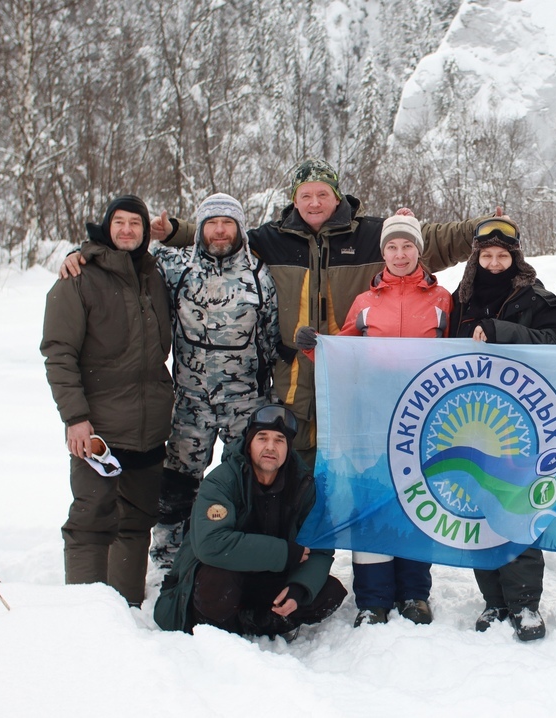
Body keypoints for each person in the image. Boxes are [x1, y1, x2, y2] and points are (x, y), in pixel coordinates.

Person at [153, 159, 484, 466]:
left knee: (347, 446)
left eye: (323, 194)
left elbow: (437, 240)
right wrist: (175, 231)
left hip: (350, 367)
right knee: (291, 446)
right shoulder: (272, 239)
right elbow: (223, 238)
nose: (314, 203)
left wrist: (485, 228)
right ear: (294, 200)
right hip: (292, 369)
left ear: (337, 197)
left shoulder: (372, 235)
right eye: (306, 195)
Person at [61, 194, 282, 570]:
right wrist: (80, 254)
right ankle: (168, 563)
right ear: (201, 229)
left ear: (239, 229)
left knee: (248, 482)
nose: (219, 231)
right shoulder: (174, 266)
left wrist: (270, 399)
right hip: (190, 403)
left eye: (227, 223)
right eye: (211, 223)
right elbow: (122, 257)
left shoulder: (260, 275)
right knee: (176, 487)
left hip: (245, 405)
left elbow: (271, 337)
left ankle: (244, 557)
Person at [298, 214, 453, 627]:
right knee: (372, 499)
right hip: (373, 418)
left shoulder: (442, 300)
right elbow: (344, 349)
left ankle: (415, 595)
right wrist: (316, 348)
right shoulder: (366, 303)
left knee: (417, 502)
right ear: (382, 252)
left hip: (424, 420)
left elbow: (460, 359)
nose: (400, 254)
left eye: (407, 247)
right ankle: (373, 598)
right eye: (392, 247)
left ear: (419, 250)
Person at [40, 195, 173, 606]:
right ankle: (86, 619)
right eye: (120, 222)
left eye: (136, 223)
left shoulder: (153, 273)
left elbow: (216, 240)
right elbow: (58, 353)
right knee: (91, 520)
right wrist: (76, 419)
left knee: (136, 521)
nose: (128, 230)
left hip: (150, 425)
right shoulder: (78, 277)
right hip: (99, 428)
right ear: (106, 226)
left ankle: (126, 611)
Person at [448, 217, 556, 641]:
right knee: (478, 509)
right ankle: (493, 600)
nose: (495, 263)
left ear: (515, 258)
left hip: (521, 423)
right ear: (476, 258)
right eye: (487, 256)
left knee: (516, 506)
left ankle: (524, 604)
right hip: (471, 421)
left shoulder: (537, 297)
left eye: (503, 256)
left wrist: (503, 333)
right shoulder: (458, 300)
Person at [154, 404, 347, 638]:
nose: (270, 447)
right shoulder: (222, 481)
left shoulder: (303, 485)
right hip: (224, 576)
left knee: (328, 592)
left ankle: (255, 622)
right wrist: (284, 554)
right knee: (218, 579)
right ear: (249, 443)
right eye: (262, 438)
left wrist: (298, 589)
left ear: (288, 448)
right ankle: (215, 629)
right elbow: (212, 545)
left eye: (279, 440)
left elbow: (320, 550)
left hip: (268, 581)